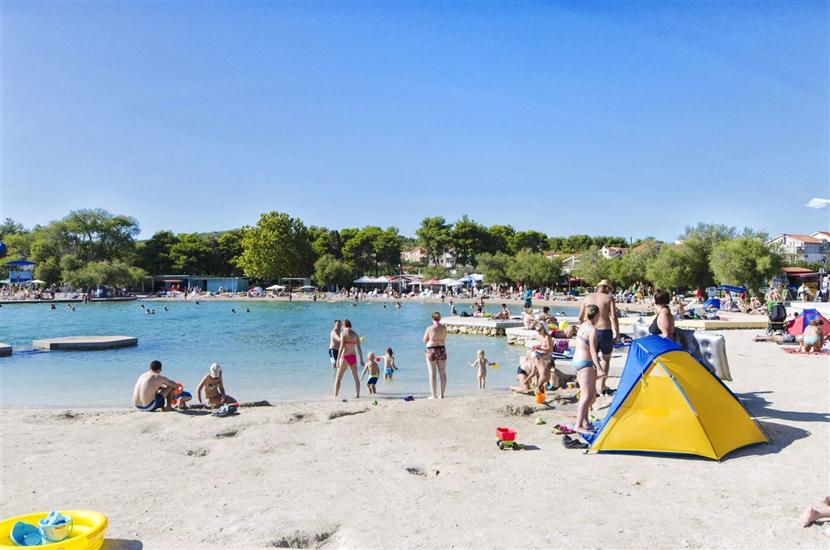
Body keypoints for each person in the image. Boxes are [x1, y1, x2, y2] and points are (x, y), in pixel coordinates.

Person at [578, 279, 619, 396]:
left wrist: (584, 328)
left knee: (592, 360)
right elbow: (614, 316)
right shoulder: (609, 298)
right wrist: (617, 333)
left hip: (590, 330)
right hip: (605, 331)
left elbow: (580, 318)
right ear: (606, 288)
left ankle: (592, 388)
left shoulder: (587, 298)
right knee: (606, 359)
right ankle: (603, 386)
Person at [572, 305, 601, 435]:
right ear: (597, 316)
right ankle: (578, 425)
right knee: (587, 396)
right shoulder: (592, 330)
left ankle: (585, 422)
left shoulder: (582, 326)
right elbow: (593, 351)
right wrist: (599, 368)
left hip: (577, 361)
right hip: (585, 363)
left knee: (589, 394)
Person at [334, 319, 364, 398]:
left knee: (339, 377)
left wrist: (337, 360)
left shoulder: (343, 333)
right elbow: (359, 348)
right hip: (353, 356)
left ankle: (335, 395)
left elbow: (341, 347)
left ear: (344, 325)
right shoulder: (355, 334)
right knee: (355, 377)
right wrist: (361, 360)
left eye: (342, 325)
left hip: (344, 356)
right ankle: (357, 395)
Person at [423, 311, 448, 399]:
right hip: (441, 349)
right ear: (440, 318)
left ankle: (433, 395)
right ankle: (442, 395)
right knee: (443, 373)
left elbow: (424, 340)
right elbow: (444, 338)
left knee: (432, 373)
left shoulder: (430, 328)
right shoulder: (444, 328)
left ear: (432, 319)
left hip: (431, 350)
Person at [531, 324, 553, 394]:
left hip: (548, 354)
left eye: (540, 330)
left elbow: (550, 349)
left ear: (544, 329)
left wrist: (539, 348)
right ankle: (534, 372)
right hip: (542, 353)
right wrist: (536, 347)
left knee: (534, 355)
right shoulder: (540, 336)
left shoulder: (547, 337)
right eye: (537, 330)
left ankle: (534, 372)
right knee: (531, 353)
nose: (538, 332)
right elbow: (541, 344)